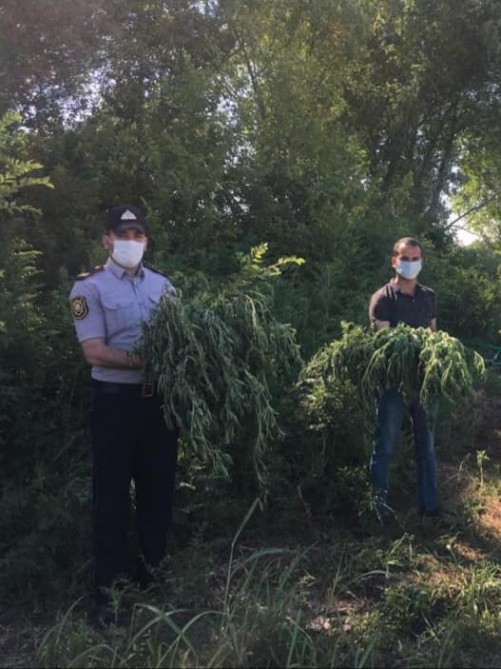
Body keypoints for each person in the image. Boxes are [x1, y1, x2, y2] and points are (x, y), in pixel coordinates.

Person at [69, 205, 178, 629]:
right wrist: (148, 361)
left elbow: (180, 338)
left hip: (159, 406)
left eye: (138, 234)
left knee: (158, 495)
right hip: (114, 404)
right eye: (123, 233)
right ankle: (107, 598)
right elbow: (93, 351)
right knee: (111, 500)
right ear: (107, 240)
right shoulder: (87, 290)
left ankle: (153, 584)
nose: (131, 240)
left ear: (146, 241)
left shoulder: (165, 287)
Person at [368, 236, 439, 525]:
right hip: (394, 386)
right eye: (405, 259)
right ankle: (378, 510)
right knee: (385, 445)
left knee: (427, 446)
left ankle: (430, 508)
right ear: (394, 261)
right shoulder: (383, 298)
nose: (410, 264)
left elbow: (434, 334)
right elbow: (384, 344)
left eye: (415, 259)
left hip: (422, 384)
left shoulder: (428, 296)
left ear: (421, 261)